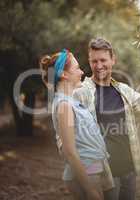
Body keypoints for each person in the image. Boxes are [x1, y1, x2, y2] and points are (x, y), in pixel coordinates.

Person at [73, 38, 140, 200]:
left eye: (103, 60)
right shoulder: (82, 92)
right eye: (94, 61)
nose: (99, 65)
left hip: (129, 170)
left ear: (113, 60)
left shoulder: (123, 90)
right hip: (104, 174)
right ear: (89, 61)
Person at [40, 49, 114, 200]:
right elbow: (70, 152)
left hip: (92, 168)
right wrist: (90, 189)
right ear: (64, 74)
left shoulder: (71, 102)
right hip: (86, 173)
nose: (81, 72)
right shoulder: (64, 106)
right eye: (77, 68)